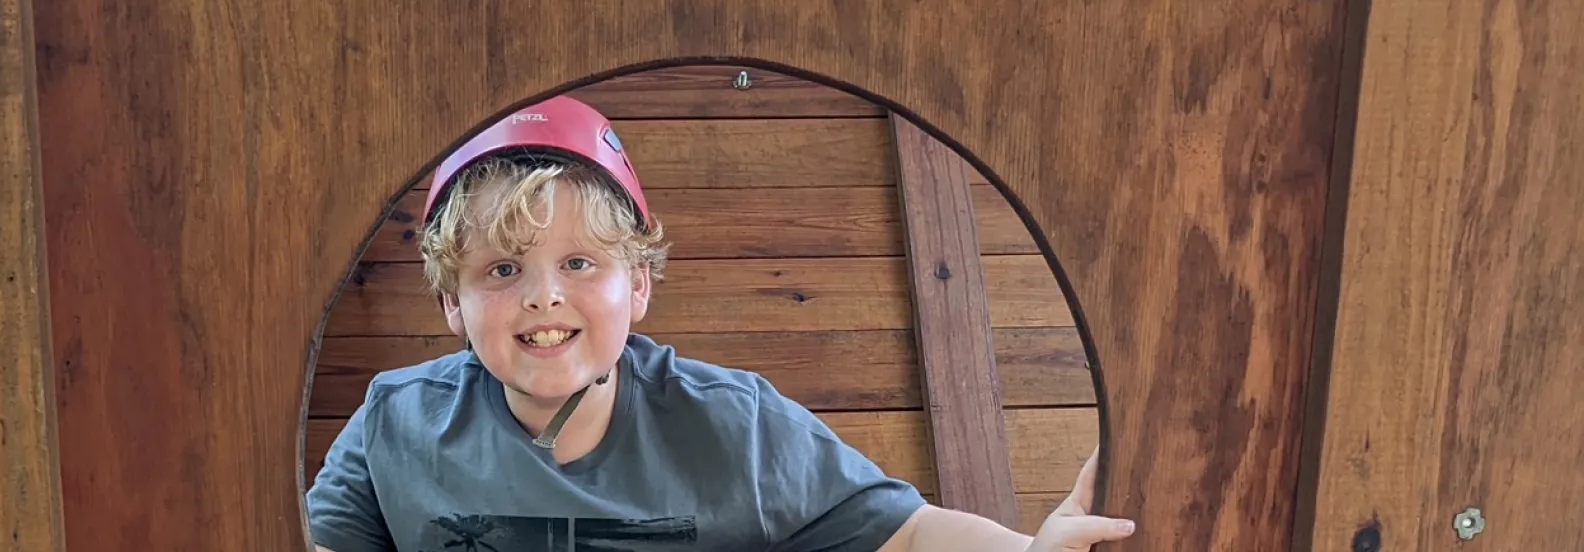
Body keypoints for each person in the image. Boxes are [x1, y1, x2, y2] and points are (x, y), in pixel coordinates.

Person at [306, 95, 1136, 551]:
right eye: (501, 270)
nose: (543, 296)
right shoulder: (395, 422)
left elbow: (911, 534)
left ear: (639, 286)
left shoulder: (733, 423)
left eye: (581, 264)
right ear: (452, 302)